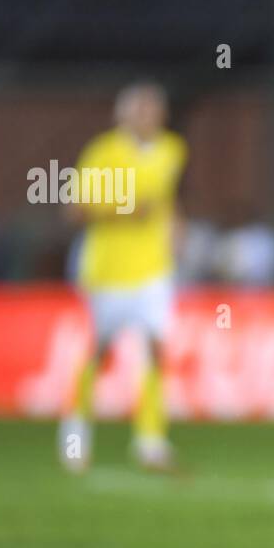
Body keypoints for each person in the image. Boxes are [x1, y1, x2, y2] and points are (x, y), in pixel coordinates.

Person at [58, 82, 187, 473]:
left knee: (155, 349)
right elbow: (75, 210)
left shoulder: (172, 150)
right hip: (108, 270)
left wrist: (178, 228)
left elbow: (165, 199)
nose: (147, 116)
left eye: (152, 109)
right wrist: (126, 210)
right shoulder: (102, 153)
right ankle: (75, 437)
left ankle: (151, 441)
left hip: (154, 269)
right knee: (100, 353)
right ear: (122, 115)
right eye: (139, 109)